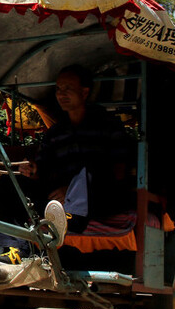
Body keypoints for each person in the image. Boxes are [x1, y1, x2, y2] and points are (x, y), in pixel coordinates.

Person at [32, 65, 134, 232]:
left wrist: (73, 191)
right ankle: (15, 247)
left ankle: (68, 222)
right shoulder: (55, 133)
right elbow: (43, 168)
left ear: (85, 93)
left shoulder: (108, 125)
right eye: (58, 89)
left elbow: (118, 170)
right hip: (58, 197)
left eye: (68, 88)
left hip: (101, 197)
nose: (61, 94)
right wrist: (32, 170)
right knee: (11, 183)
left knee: (91, 172)